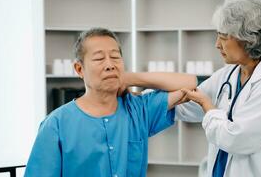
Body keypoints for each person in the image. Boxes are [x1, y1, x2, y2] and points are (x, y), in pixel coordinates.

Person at [24, 28, 197, 177]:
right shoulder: (56, 124)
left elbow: (189, 83)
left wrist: (129, 78)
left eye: (115, 57)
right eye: (99, 59)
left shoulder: (138, 110)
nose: (109, 65)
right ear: (79, 69)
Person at [176, 0, 261, 177]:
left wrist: (208, 107)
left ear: (249, 40)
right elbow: (191, 100)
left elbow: (236, 139)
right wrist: (144, 99)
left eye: (224, 37)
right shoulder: (230, 73)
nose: (217, 44)